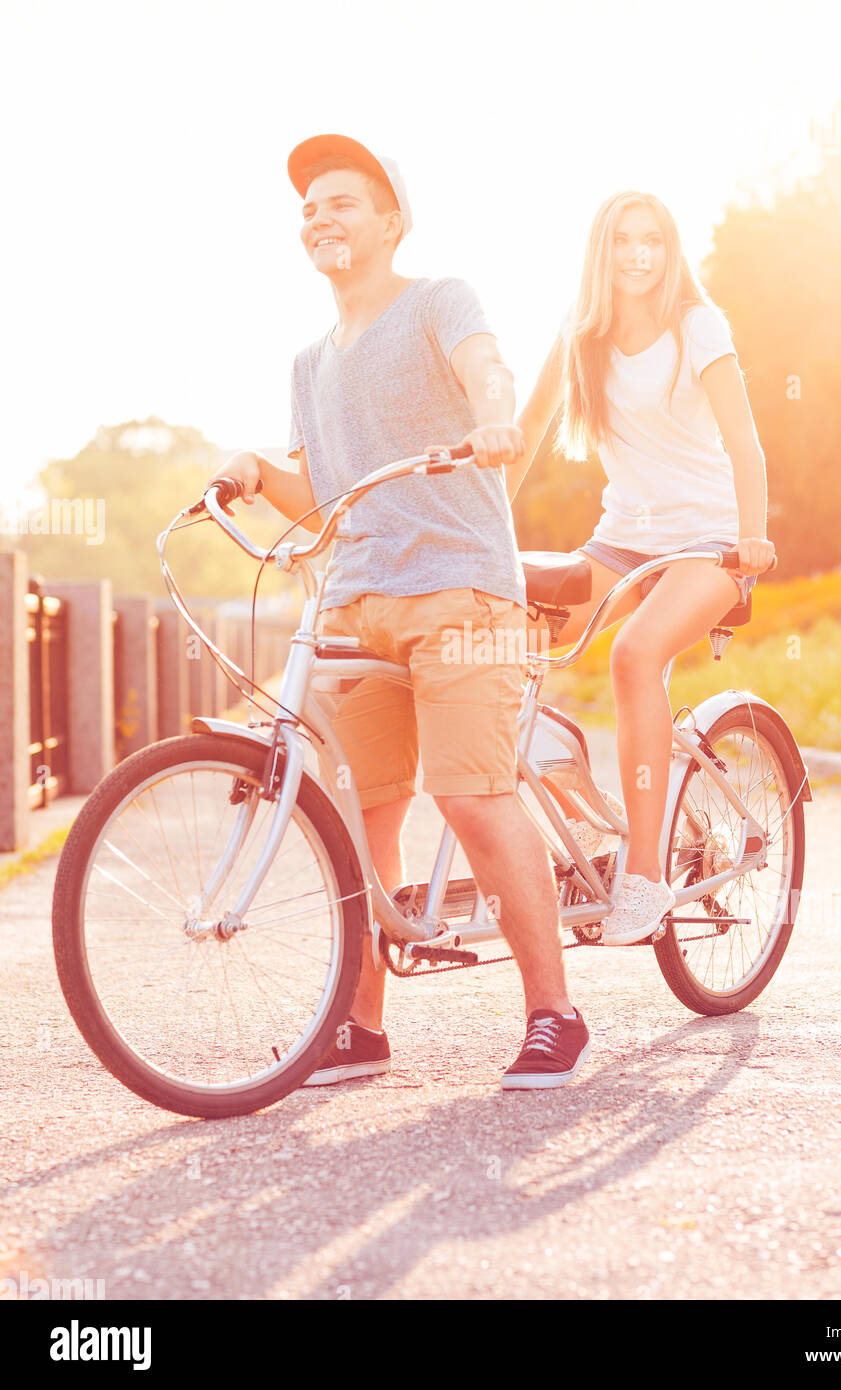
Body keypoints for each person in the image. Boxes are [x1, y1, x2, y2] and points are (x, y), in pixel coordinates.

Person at [209, 134, 589, 1089]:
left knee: (470, 792)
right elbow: (322, 493)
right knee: (366, 816)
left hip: (460, 585)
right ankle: (363, 1027)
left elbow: (486, 369)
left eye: (341, 202)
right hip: (354, 602)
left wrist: (494, 414)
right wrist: (261, 468)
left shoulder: (438, 300)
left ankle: (556, 1013)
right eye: (309, 209)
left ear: (390, 221)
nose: (319, 219)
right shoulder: (307, 362)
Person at [510, 190, 776, 946]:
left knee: (634, 655)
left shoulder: (698, 325)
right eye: (624, 241)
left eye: (652, 241)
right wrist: (481, 530)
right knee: (506, 639)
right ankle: (601, 820)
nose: (638, 255)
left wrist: (751, 540)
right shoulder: (582, 333)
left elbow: (746, 444)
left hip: (709, 542)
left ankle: (647, 878)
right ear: (603, 252)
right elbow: (528, 433)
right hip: (623, 537)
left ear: (670, 249)